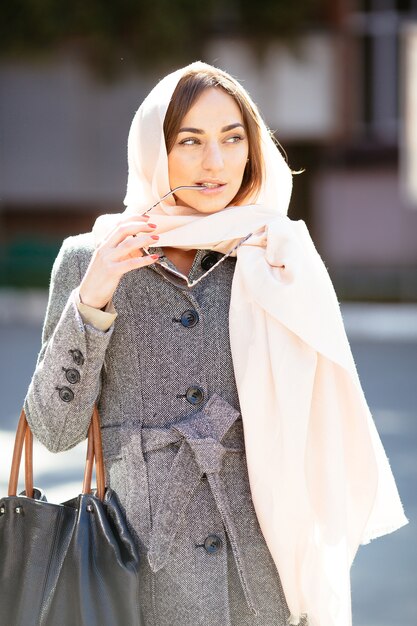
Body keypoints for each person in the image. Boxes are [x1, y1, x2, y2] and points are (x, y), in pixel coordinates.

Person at [25, 62, 407, 626]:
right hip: (138, 572)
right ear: (156, 152)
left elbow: (319, 418)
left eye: (233, 139)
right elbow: (55, 431)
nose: (216, 163)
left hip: (264, 570)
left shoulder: (273, 257)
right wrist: (93, 301)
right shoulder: (94, 258)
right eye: (191, 141)